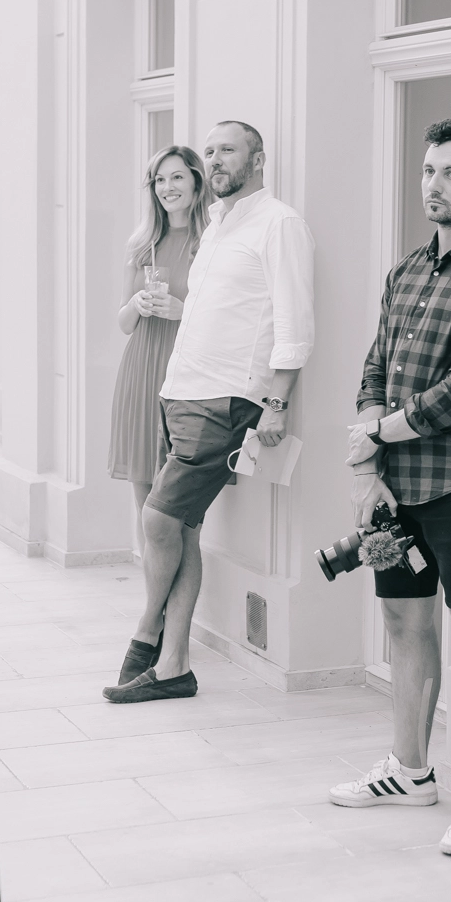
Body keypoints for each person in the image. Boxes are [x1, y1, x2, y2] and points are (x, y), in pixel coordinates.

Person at [331, 119, 451, 857]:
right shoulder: (406, 272)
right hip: (393, 490)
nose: (434, 185)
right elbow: (374, 369)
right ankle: (410, 770)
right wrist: (368, 467)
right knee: (402, 622)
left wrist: (378, 434)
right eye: (428, 171)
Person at [105, 120, 315, 703]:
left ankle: (147, 634)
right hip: (179, 390)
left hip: (225, 399)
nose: (218, 158)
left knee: (157, 520)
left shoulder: (280, 224)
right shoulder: (219, 226)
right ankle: (174, 664)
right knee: (178, 526)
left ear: (258, 159)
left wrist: (276, 404)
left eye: (229, 150)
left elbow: (294, 323)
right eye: (212, 150)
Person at [108, 145, 209, 554]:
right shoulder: (141, 245)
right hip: (141, 372)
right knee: (145, 506)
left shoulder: (210, 244)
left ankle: (171, 594)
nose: (168, 187)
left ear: (196, 182)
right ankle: (152, 593)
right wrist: (136, 303)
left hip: (187, 376)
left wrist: (183, 312)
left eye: (177, 177)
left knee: (180, 514)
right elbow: (123, 324)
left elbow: (227, 321)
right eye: (160, 180)